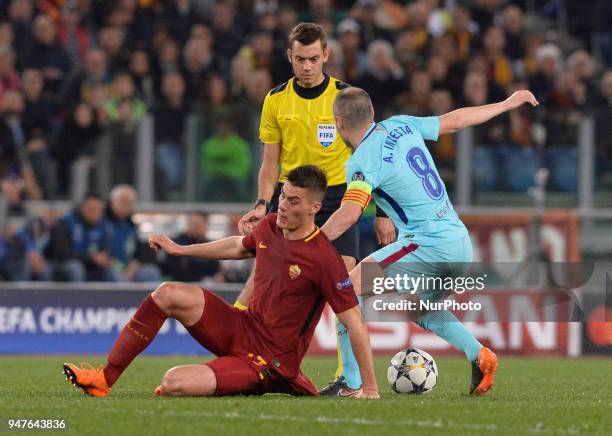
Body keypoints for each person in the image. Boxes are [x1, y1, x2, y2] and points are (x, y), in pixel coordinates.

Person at [62, 165, 379, 399]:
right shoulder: (270, 225)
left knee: (173, 383)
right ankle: (103, 379)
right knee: (167, 293)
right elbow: (237, 247)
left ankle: (279, 379)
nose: (282, 205)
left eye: (294, 201)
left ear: (314, 208)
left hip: (269, 360)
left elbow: (355, 323)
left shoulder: (324, 258)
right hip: (242, 328)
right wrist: (181, 248)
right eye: (283, 196)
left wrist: (370, 387)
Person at [321, 87, 539, 396]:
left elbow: (349, 213)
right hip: (460, 243)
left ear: (339, 122)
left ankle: (351, 381)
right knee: (418, 308)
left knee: (347, 288)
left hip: (426, 244)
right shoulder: (401, 124)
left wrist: (308, 242)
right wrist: (506, 103)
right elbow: (456, 121)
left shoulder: (360, 161)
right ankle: (479, 354)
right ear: (371, 114)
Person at [237, 22, 395, 396]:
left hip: (338, 200)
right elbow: (269, 162)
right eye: (299, 59)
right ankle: (244, 357)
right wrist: (262, 204)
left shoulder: (346, 98)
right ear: (289, 57)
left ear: (326, 55)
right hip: (290, 200)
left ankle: (350, 379)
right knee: (266, 281)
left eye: (313, 58)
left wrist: (383, 211)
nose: (306, 66)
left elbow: (372, 157)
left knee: (343, 285)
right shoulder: (276, 99)